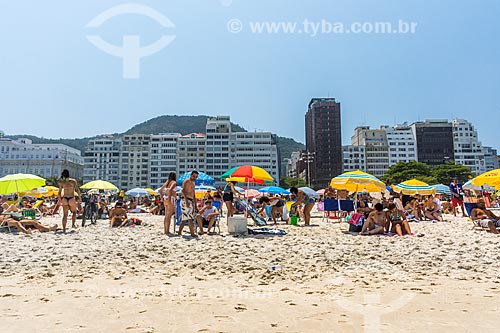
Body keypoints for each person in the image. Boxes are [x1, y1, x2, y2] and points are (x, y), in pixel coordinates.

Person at [179, 171, 199, 237]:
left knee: (184, 218)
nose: (194, 178)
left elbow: (193, 194)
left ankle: (179, 232)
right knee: (190, 217)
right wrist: (186, 201)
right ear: (191, 175)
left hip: (189, 200)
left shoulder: (193, 183)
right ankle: (192, 233)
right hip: (185, 200)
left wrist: (195, 205)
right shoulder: (186, 181)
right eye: (193, 176)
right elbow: (183, 191)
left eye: (196, 177)